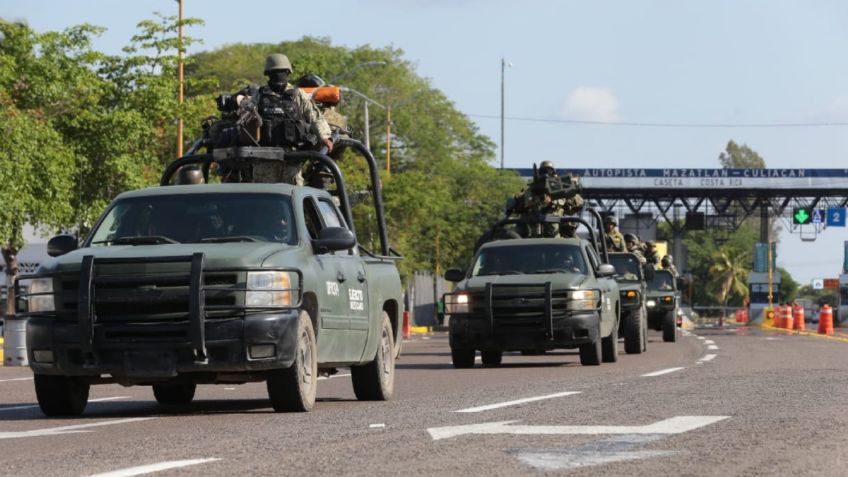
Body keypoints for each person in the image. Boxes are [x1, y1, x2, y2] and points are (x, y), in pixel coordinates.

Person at [507, 161, 584, 238]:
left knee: (575, 239)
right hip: (531, 235)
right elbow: (514, 206)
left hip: (556, 234)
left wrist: (572, 192)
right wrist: (526, 203)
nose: (546, 174)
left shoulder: (562, 191)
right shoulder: (529, 191)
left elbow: (575, 206)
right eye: (544, 171)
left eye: (549, 171)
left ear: (554, 173)